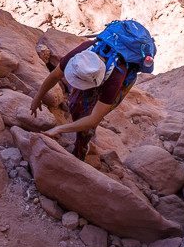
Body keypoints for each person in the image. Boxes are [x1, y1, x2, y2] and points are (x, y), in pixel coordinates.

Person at [29, 21, 155, 163]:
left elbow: (94, 118)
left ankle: (81, 148)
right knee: (75, 105)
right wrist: (37, 98)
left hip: (117, 77)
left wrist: (59, 129)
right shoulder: (82, 53)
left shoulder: (117, 78)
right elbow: (54, 76)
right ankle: (78, 130)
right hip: (98, 74)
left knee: (87, 116)